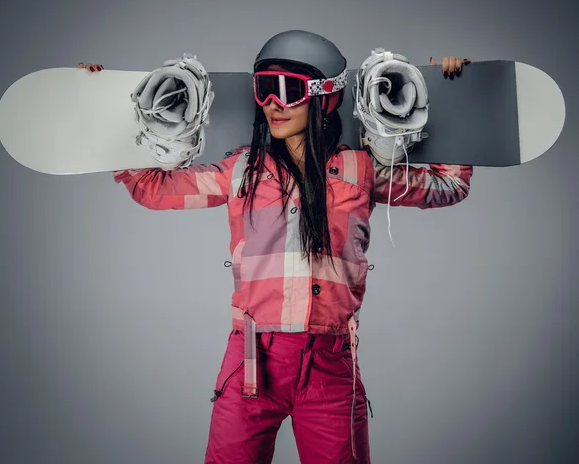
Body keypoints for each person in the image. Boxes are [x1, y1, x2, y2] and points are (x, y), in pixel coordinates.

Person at [79, 30, 473, 464]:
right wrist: (104, 104)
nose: (272, 104)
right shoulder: (241, 170)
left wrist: (450, 94)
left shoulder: (361, 170)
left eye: (288, 91)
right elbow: (151, 188)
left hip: (330, 365)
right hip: (252, 364)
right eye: (264, 90)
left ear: (323, 97)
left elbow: (447, 186)